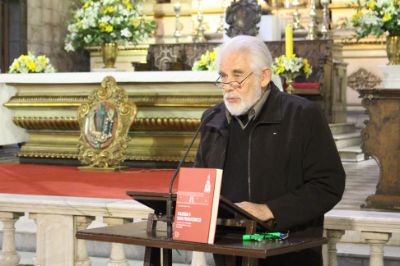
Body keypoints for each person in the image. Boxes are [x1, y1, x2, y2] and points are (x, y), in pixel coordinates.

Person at [194, 35, 345, 266]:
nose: (228, 87)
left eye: (237, 76)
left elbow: (328, 184)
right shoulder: (213, 119)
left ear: (264, 76)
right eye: (223, 77)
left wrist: (270, 210)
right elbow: (201, 182)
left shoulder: (302, 115)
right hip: (228, 251)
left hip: (286, 251)